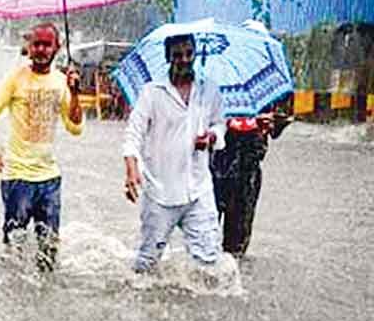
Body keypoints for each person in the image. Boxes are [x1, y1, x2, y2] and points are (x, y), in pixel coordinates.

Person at [0, 23, 83, 271]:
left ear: (57, 48)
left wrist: (75, 93)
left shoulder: (61, 82)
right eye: (36, 44)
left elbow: (76, 127)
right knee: (14, 251)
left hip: (49, 179)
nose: (41, 49)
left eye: (47, 44)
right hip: (17, 177)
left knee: (48, 254)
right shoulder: (16, 79)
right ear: (28, 47)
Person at [122, 33, 225, 273]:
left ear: (196, 54)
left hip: (198, 190)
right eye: (178, 55)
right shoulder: (152, 93)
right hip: (160, 193)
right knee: (146, 266)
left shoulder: (209, 90)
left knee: (208, 263)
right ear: (168, 57)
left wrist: (211, 137)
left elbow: (220, 124)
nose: (185, 59)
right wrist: (131, 170)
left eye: (189, 53)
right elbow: (132, 134)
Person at [211, 102, 293, 257]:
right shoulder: (208, 86)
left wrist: (270, 123)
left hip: (248, 166)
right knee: (205, 232)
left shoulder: (265, 90)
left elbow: (282, 120)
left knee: (236, 240)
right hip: (215, 163)